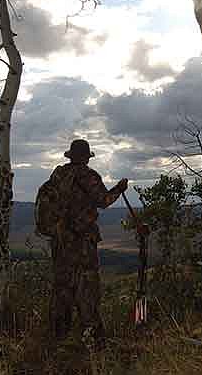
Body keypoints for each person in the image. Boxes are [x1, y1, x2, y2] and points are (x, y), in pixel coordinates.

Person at [47, 139, 128, 346]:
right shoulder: (89, 176)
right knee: (87, 286)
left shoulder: (58, 175)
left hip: (59, 240)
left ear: (70, 156)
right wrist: (119, 189)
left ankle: (58, 334)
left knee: (62, 285)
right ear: (86, 157)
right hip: (82, 242)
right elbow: (104, 201)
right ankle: (92, 336)